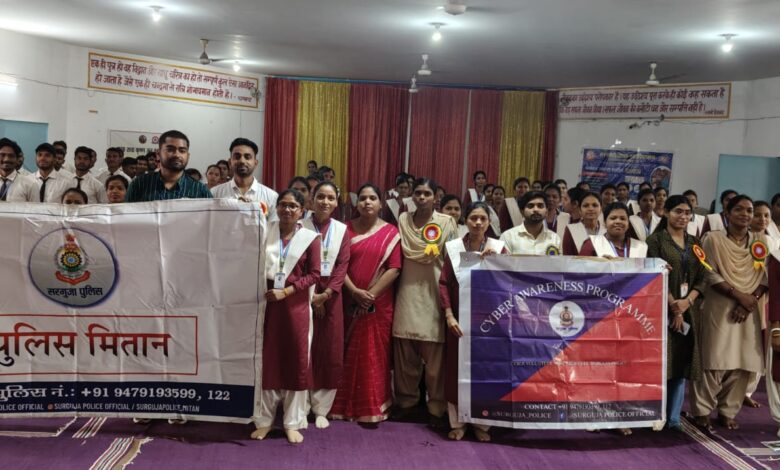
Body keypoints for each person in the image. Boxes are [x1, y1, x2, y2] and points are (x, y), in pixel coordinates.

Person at [691, 195, 768, 431]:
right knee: (714, 358)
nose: (745, 214)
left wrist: (748, 302)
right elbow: (708, 272)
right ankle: (702, 410)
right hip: (719, 304)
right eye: (739, 210)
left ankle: (727, 411)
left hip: (749, 309)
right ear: (727, 213)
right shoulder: (713, 239)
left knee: (743, 361)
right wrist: (738, 296)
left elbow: (764, 277)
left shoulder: (760, 241)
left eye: (749, 210)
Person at [253, 189, 321, 444]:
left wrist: (287, 291)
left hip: (295, 307)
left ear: (302, 211)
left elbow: (315, 274)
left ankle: (292, 422)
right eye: (283, 204)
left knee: (295, 362)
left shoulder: (310, 238)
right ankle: (264, 421)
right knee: (267, 362)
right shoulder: (264, 231)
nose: (287, 209)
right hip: (267, 303)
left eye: (293, 206)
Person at [330, 184, 401, 423]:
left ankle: (373, 404)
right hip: (347, 299)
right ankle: (339, 404)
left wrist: (370, 295)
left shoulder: (391, 232)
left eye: (372, 198)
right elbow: (338, 264)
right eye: (362, 198)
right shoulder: (344, 230)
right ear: (356, 203)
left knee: (373, 353)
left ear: (381, 204)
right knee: (345, 351)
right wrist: (354, 292)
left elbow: (394, 268)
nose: (367, 202)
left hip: (379, 304)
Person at [439, 202, 506, 442]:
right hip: (459, 320)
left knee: (484, 370)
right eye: (473, 218)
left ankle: (481, 423)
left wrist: (495, 264)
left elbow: (508, 282)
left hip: (490, 322)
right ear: (465, 220)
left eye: (482, 219)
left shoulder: (499, 248)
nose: (478, 223)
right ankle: (457, 423)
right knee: (456, 369)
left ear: (489, 222)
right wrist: (449, 315)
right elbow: (443, 283)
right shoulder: (454, 247)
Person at [393, 178, 457, 422]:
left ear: (435, 197)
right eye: (418, 193)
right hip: (407, 291)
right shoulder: (403, 220)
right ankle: (406, 402)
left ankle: (436, 407)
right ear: (412, 196)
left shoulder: (447, 222)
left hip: (434, 292)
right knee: (405, 350)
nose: (421, 197)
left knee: (435, 358)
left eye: (427, 193)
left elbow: (453, 260)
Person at [646, 195, 707, 431]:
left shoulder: (695, 242)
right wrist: (674, 306)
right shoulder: (655, 240)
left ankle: (674, 418)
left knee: (681, 362)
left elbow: (703, 276)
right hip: (660, 308)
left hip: (688, 310)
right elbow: (653, 273)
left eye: (687, 212)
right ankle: (655, 415)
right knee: (661, 362)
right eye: (678, 211)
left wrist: (687, 302)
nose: (683, 216)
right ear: (666, 213)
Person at [302, 182, 350, 429]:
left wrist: (326, 294)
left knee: (329, 350)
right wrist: (312, 296)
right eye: (320, 196)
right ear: (311, 199)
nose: (325, 202)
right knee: (303, 348)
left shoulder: (342, 229)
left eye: (330, 198)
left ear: (336, 202)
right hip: (302, 294)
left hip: (332, 297)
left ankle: (322, 408)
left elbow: (342, 265)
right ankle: (300, 406)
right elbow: (296, 263)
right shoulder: (300, 225)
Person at [125, 130, 212, 202]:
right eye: (170, 150)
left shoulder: (200, 190)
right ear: (158, 154)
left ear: (188, 156)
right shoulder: (139, 185)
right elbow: (127, 216)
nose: (177, 155)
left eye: (182, 151)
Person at [211, 138, 277, 220]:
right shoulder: (215, 193)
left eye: (247, 157)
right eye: (237, 157)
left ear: (255, 163)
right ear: (230, 162)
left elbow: (273, 227)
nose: (242, 161)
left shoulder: (271, 197)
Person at [580, 202, 647, 258]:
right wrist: (599, 265)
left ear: (628, 224)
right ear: (604, 223)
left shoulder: (641, 246)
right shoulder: (591, 244)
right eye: (613, 218)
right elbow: (580, 268)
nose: (618, 221)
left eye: (622, 218)